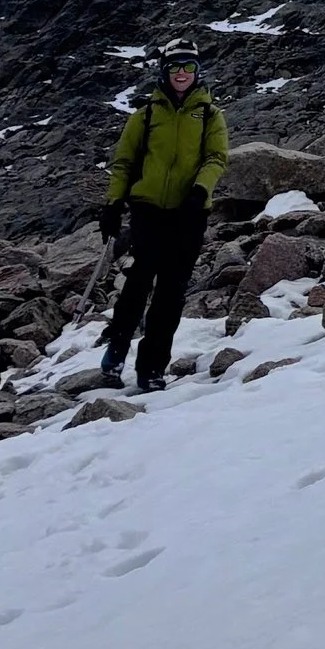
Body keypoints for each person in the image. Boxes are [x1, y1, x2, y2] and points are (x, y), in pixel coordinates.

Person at [97, 35, 230, 391]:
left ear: (197, 71)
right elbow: (123, 163)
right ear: (164, 71)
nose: (182, 73)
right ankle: (117, 347)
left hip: (189, 215)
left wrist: (200, 190)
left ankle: (152, 367)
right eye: (175, 67)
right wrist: (113, 204)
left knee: (171, 293)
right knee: (139, 283)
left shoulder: (210, 115)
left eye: (189, 67)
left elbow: (216, 158)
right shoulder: (147, 115)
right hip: (148, 210)